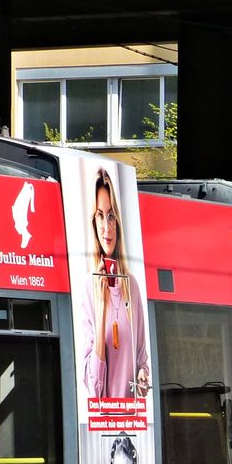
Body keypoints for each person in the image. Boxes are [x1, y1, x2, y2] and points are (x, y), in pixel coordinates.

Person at [80, 167, 150, 398]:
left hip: (134, 425)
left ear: (118, 221)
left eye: (111, 216)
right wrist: (101, 307)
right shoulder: (89, 287)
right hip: (102, 425)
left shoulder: (132, 286)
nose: (106, 227)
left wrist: (142, 375)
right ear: (94, 221)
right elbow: (93, 387)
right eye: (100, 215)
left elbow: (142, 360)